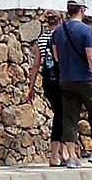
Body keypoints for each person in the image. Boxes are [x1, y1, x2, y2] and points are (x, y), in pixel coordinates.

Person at [52, 0, 92, 167]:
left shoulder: (58, 30)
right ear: (82, 10)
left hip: (66, 80)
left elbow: (56, 57)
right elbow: (91, 56)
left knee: (69, 117)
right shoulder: (86, 30)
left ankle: (71, 156)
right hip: (85, 79)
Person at [25, 9, 65, 166]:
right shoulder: (62, 37)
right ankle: (56, 154)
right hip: (62, 80)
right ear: (61, 21)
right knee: (62, 115)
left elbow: (36, 65)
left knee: (59, 113)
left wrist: (31, 87)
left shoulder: (41, 39)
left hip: (48, 81)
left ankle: (62, 152)